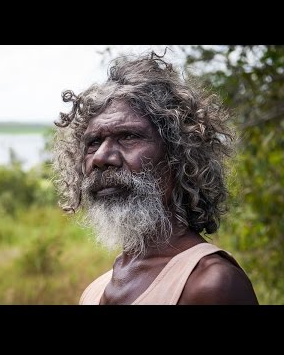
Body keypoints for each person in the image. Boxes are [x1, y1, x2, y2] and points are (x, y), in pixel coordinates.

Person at [52, 51, 258, 305]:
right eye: (93, 142)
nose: (101, 157)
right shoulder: (95, 290)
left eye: (128, 136)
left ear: (179, 153)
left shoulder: (211, 284)